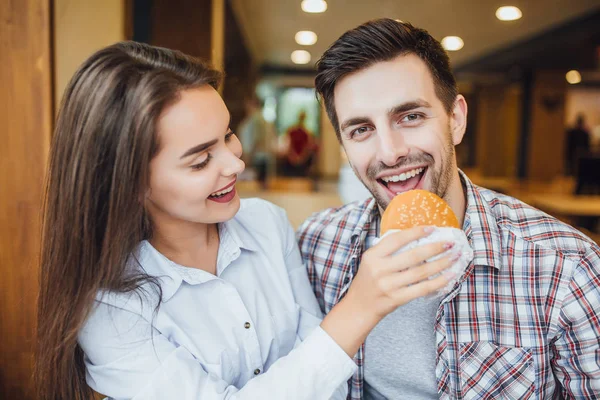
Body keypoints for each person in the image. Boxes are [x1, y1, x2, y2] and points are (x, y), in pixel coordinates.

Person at [34, 41, 458, 400]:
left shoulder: (266, 225)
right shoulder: (111, 308)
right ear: (128, 183)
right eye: (201, 160)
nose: (234, 164)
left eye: (228, 136)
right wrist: (361, 306)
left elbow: (327, 382)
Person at [299, 19, 600, 399]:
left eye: (410, 116)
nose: (390, 152)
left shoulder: (566, 267)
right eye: (361, 129)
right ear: (344, 147)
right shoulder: (316, 245)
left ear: (455, 119)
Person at [238, 95, 275, 189]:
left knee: (255, 187)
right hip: (260, 158)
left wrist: (248, 157)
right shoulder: (261, 119)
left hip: (256, 158)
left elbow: (258, 139)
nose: (246, 106)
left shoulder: (256, 119)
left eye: (248, 104)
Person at [281, 111, 318, 177]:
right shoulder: (304, 132)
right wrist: (296, 157)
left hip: (298, 159)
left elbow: (307, 147)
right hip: (295, 159)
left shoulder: (305, 132)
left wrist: (298, 157)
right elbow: (289, 146)